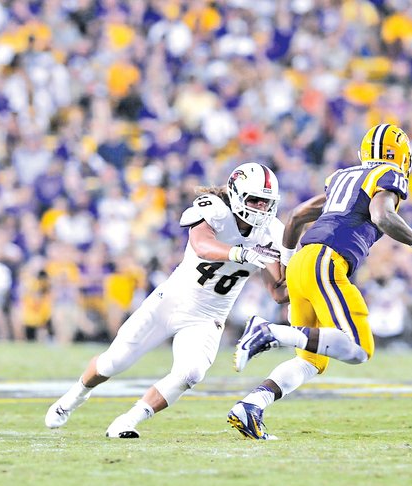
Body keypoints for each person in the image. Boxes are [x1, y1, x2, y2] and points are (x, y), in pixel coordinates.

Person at [227, 124, 412, 440]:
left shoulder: (343, 178)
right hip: (327, 260)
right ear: (402, 155)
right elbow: (382, 217)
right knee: (359, 348)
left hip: (305, 260)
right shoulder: (389, 176)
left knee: (311, 360)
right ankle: (269, 332)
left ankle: (252, 405)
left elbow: (296, 217)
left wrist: (286, 263)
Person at [44, 163, 288, 438]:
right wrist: (242, 254)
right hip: (171, 301)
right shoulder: (215, 209)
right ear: (235, 193)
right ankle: (75, 397)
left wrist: (303, 274)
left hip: (208, 317)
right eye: (254, 199)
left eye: (266, 202)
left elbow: (278, 293)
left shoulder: (272, 233)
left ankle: (127, 421)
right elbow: (201, 245)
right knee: (113, 362)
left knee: (190, 373)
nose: (260, 207)